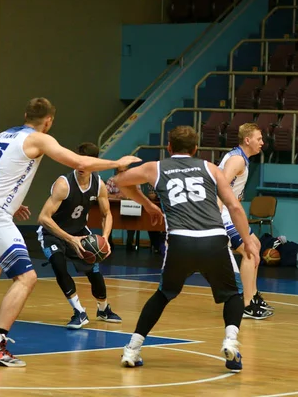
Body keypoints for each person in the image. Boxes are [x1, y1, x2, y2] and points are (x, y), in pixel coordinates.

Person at [0, 98, 141, 367]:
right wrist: (117, 161)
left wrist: (11, 199)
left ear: (25, 114)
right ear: (49, 121)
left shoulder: (1, 136)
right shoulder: (40, 138)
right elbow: (79, 161)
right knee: (26, 278)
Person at [114, 125, 259, 372]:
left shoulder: (155, 167)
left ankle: (132, 348)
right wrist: (246, 240)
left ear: (169, 147)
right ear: (196, 149)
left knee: (163, 294)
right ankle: (231, 342)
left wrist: (147, 205)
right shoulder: (211, 168)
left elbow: (119, 181)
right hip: (214, 239)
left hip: (180, 240)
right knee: (233, 294)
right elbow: (234, 207)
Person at [37, 142, 121, 329]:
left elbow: (107, 214)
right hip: (53, 232)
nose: (81, 166)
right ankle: (79, 311)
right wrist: (70, 239)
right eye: (78, 160)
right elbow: (43, 218)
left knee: (94, 270)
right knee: (59, 266)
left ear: (95, 163)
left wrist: (105, 239)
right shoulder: (64, 184)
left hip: (79, 231)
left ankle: (103, 308)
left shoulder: (98, 185)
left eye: (86, 161)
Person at [218, 123, 274, 320]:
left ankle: (253, 294)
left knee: (255, 245)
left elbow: (234, 196)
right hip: (220, 212)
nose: (262, 143)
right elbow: (220, 186)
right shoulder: (236, 160)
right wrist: (215, 216)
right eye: (259, 139)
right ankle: (247, 304)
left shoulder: (242, 159)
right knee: (249, 250)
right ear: (247, 140)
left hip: (229, 212)